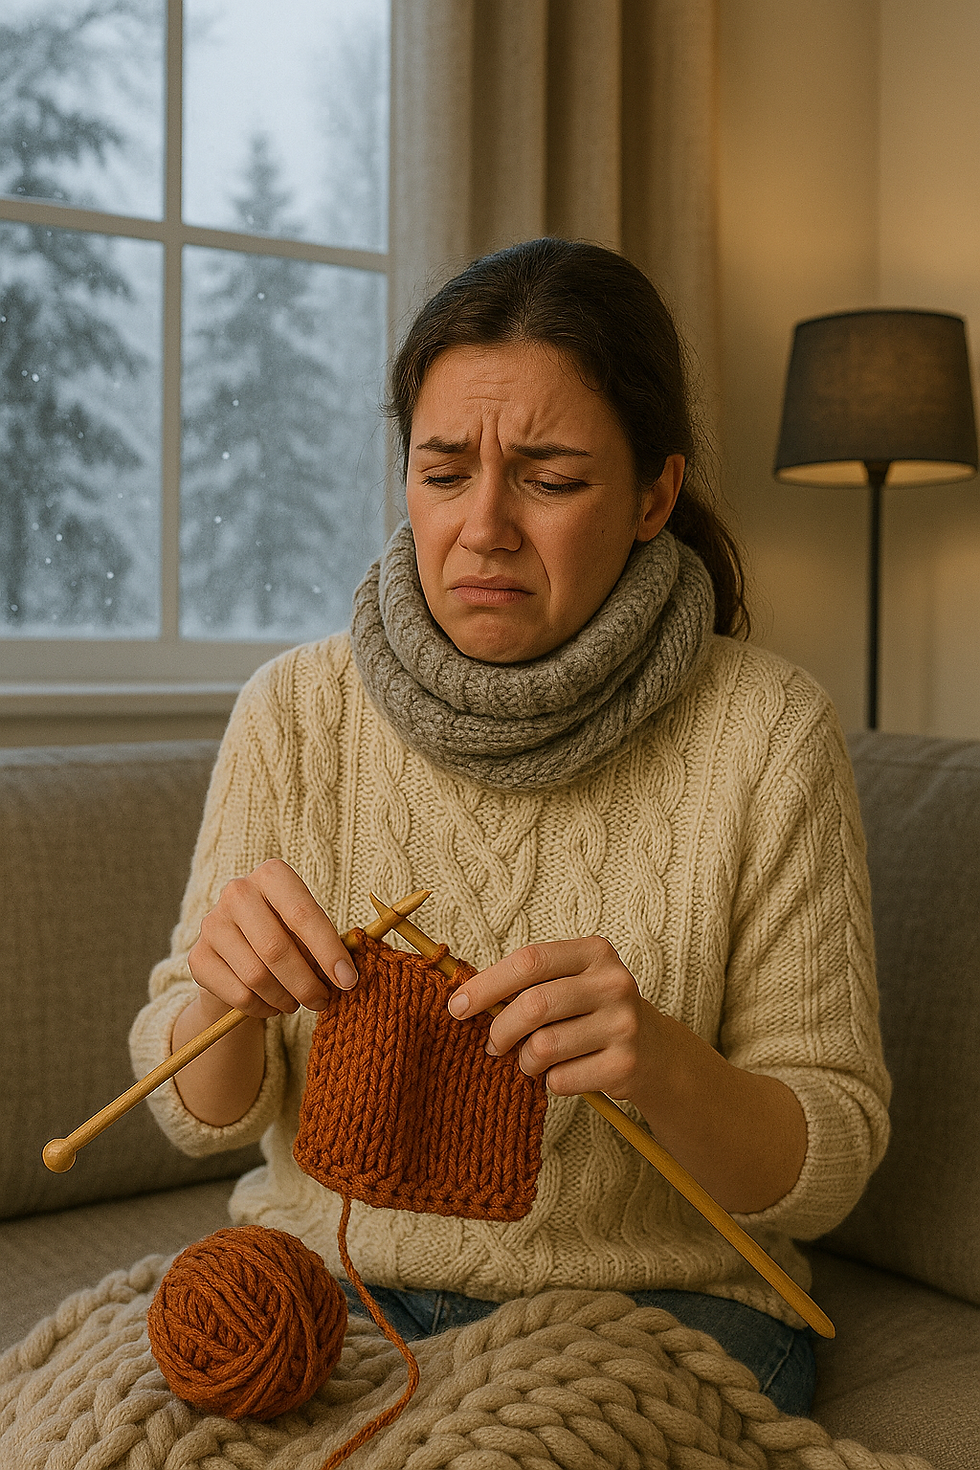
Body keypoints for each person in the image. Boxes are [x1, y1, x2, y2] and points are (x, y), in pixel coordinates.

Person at [130, 237, 890, 1419]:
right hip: (323, 1292)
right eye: (442, 473)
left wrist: (666, 1066)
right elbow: (195, 1110)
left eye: (547, 478)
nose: (482, 526)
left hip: (655, 1314)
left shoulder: (766, 733)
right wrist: (220, 1005)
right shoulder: (294, 710)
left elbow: (824, 1163)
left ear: (652, 494)